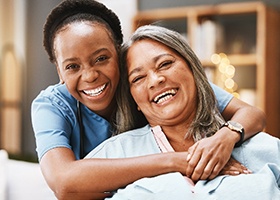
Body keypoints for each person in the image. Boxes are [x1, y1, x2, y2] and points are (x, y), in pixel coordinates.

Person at [31, 0, 266, 199]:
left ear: (119, 54)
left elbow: (251, 114)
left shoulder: (149, 81)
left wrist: (224, 139)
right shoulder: (52, 106)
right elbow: (64, 182)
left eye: (101, 58)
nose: (90, 75)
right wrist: (182, 162)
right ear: (59, 72)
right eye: (72, 66)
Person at [86, 25, 280, 199]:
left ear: (193, 70)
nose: (155, 80)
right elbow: (64, 188)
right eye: (138, 78)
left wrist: (226, 138)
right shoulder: (113, 155)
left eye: (165, 64)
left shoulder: (261, 148)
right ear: (133, 99)